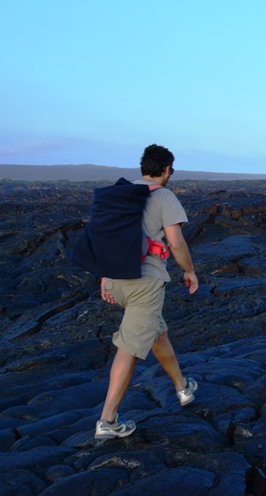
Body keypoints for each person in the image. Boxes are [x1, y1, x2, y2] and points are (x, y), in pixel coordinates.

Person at [94, 144, 200, 440]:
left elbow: (105, 237)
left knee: (156, 332)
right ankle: (107, 420)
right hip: (145, 282)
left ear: (143, 168)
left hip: (116, 279)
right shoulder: (163, 196)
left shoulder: (120, 195)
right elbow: (176, 242)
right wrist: (189, 271)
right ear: (167, 170)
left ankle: (182, 388)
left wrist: (105, 278)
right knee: (129, 347)